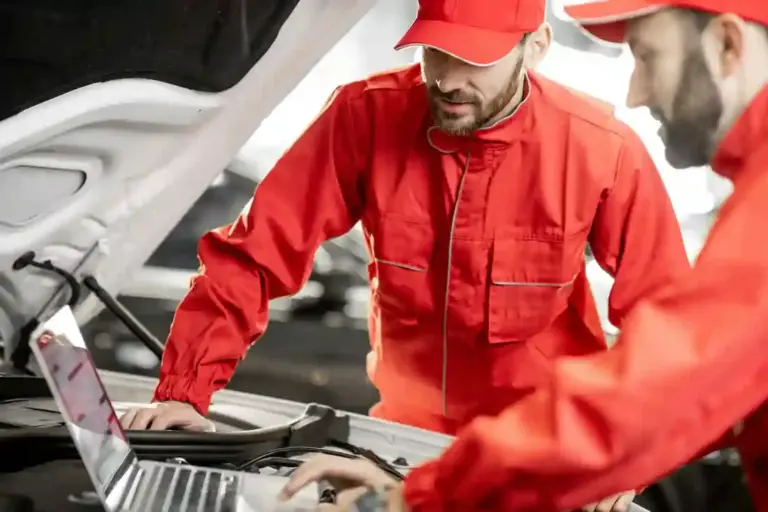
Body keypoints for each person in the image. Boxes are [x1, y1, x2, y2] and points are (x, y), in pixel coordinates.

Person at [122, 0, 689, 507]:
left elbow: (665, 319)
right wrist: (184, 395)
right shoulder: (363, 117)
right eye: (435, 52)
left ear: (534, 49)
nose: (447, 79)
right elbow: (252, 256)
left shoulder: (601, 150)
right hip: (404, 447)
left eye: (476, 58)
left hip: (545, 459)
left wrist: (625, 457)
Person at [278, 1, 768, 511]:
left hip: (522, 468)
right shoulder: (368, 117)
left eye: (647, 56)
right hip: (438, 449)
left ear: (727, 45)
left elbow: (661, 386)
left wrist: (410, 501)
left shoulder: (741, 205)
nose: (635, 93)